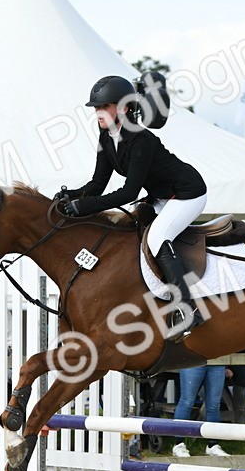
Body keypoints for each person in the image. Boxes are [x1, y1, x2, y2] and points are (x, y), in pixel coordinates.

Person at [55, 75, 208, 339]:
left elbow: (129, 192)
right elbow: (98, 183)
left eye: (103, 107)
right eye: (95, 108)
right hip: (160, 196)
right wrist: (71, 197)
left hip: (187, 194)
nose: (97, 113)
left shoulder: (141, 139)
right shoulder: (106, 136)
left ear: (124, 108)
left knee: (158, 237)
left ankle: (188, 309)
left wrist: (86, 206)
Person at [170, 365, 230, 457]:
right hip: (193, 360)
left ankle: (212, 444)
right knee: (187, 402)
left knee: (214, 404)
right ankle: (178, 444)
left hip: (216, 361)